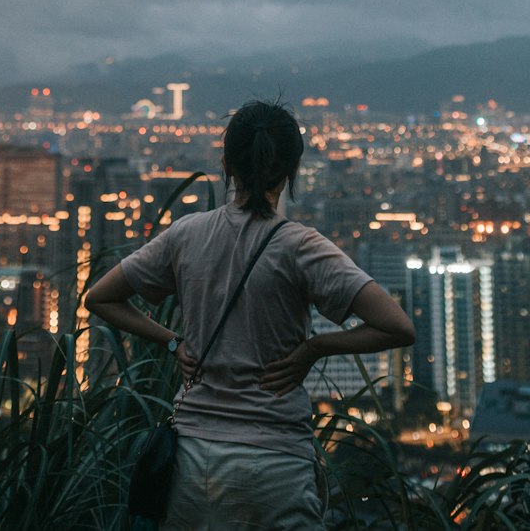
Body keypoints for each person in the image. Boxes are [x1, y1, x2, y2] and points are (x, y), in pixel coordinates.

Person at [85, 98, 415, 531]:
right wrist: (314, 347)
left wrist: (172, 341)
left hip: (190, 464)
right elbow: (398, 326)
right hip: (276, 465)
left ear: (226, 163)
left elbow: (100, 298)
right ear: (291, 169)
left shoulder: (187, 234)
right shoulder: (302, 246)